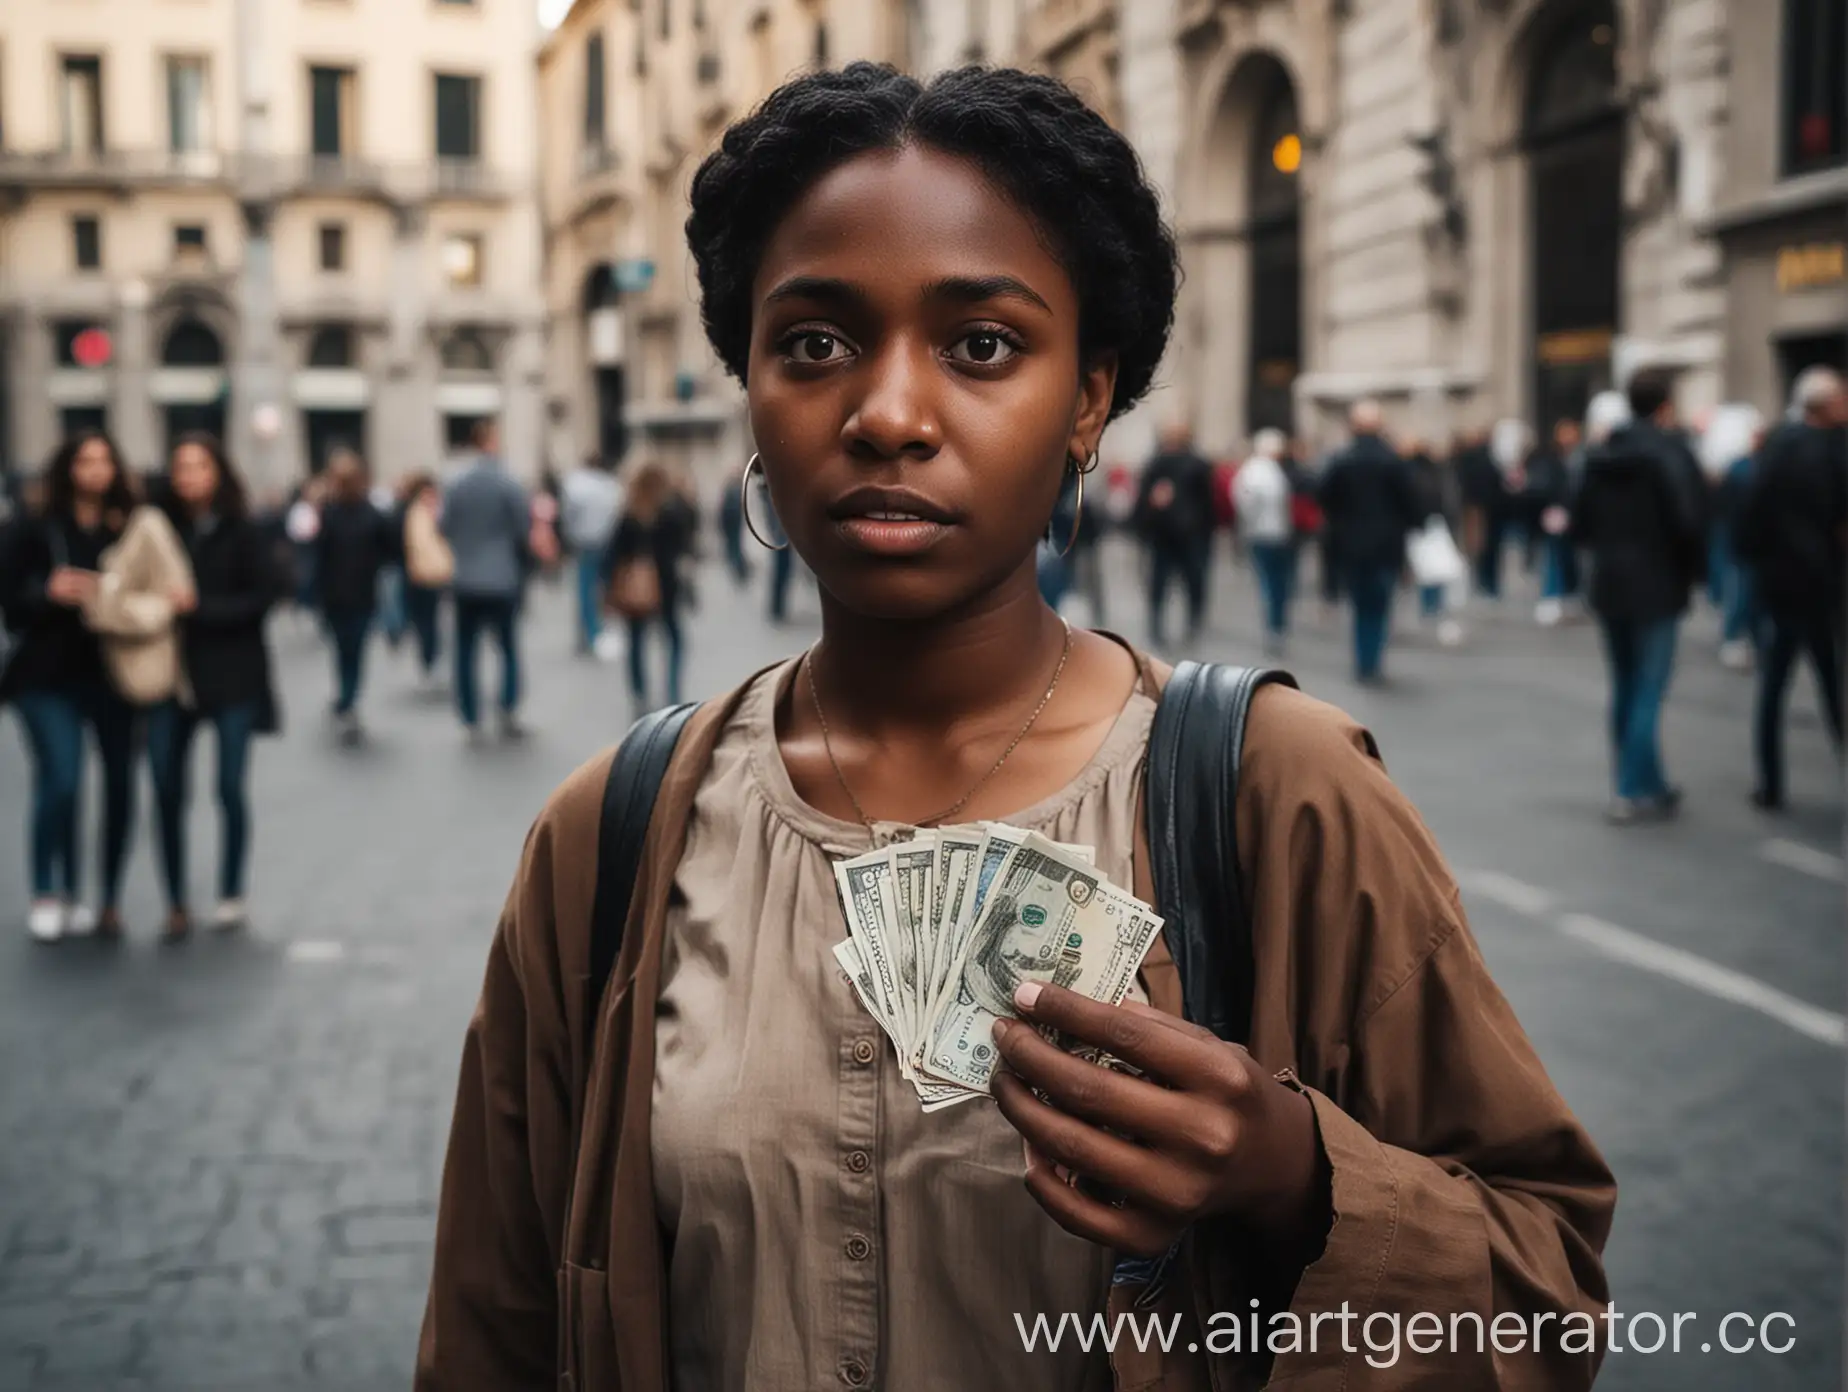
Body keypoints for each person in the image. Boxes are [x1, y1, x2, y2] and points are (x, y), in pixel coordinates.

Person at [418, 63, 1611, 1392]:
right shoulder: (609, 839)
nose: (887, 414)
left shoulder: (1282, 790)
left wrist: (1297, 1176)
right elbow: (493, 1328)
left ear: (1089, 401)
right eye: (812, 342)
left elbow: (1550, 1290)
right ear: (749, 387)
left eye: (980, 345)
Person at [0, 433, 140, 942]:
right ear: (67, 467)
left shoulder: (128, 525)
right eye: (85, 460)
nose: (96, 470)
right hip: (46, 674)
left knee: (119, 784)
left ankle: (97, 896)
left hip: (113, 669)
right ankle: (46, 889)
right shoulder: (34, 526)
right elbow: (12, 608)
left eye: (106, 459)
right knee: (61, 779)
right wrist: (48, 592)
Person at [146, 434, 282, 938]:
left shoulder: (243, 530)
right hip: (171, 675)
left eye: (200, 466)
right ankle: (176, 898)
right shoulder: (156, 528)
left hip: (233, 672)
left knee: (228, 785)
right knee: (165, 785)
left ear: (218, 472)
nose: (190, 477)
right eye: (181, 467)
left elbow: (263, 596)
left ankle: (230, 889)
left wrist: (200, 607)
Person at [1569, 373, 1703, 824]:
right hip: (1658, 582)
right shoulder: (1671, 454)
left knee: (1626, 685)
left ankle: (1646, 782)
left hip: (1611, 582)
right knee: (1649, 687)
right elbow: (1688, 520)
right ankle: (1632, 789)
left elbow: (1580, 524)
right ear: (1664, 407)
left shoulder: (1600, 455)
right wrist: (1692, 572)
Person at [1735, 366, 1847, 811]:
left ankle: (1770, 782)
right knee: (1832, 685)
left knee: (1775, 688)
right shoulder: (1834, 449)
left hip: (1781, 583)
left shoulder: (1778, 446)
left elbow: (1750, 514)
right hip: (1818, 582)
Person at [1317, 399, 1423, 684]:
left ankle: (1363, 659)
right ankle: (1372, 660)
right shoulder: (1393, 460)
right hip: (1386, 544)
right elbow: (1411, 502)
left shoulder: (1342, 459)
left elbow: (1324, 496)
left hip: (1350, 544)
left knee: (1360, 604)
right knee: (1379, 604)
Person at [441, 418, 530, 743]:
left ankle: (470, 715)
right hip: (502, 578)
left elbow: (444, 525)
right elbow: (523, 527)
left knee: (465, 650)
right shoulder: (507, 482)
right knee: (506, 647)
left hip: (465, 578)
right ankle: (507, 706)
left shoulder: (456, 482)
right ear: (491, 441)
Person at [314, 451, 397, 744]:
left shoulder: (332, 513)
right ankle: (348, 699)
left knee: (344, 651)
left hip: (340, 596)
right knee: (353, 651)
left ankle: (346, 698)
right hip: (358, 595)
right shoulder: (368, 513)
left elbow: (319, 557)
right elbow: (390, 550)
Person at [601, 460, 696, 709]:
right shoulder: (671, 511)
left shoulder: (628, 513)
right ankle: (673, 691)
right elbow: (684, 545)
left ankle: (639, 693)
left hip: (635, 588)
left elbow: (613, 553)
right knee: (675, 639)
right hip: (666, 584)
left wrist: (608, 588)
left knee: (636, 641)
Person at [1133, 422, 1216, 647]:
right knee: (1175, 582)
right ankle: (1172, 625)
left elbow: (1207, 502)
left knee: (1180, 581)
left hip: (1180, 535)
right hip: (1175, 535)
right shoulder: (1165, 464)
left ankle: (1181, 624)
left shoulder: (1185, 464)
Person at [1701, 404, 1766, 670]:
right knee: (1741, 588)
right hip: (1741, 538)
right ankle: (1737, 635)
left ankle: (1741, 635)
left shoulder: (1743, 468)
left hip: (1738, 536)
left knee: (1740, 587)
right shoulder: (1745, 469)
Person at [1231, 428, 1296, 654]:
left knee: (1278, 582)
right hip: (1263, 535)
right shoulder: (1255, 471)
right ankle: (1273, 625)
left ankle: (1276, 624)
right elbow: (1246, 502)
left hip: (1276, 534)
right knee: (1271, 582)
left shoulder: (1270, 469)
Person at [560, 455, 625, 655]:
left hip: (585, 543)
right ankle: (598, 630)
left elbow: (569, 515)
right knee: (603, 590)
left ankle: (590, 633)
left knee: (585, 591)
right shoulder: (610, 486)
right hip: (606, 542)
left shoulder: (577, 485)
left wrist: (570, 535)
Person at [1527, 418, 1582, 627]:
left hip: (1573, 516)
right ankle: (1553, 598)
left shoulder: (1579, 457)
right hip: (1555, 514)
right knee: (1554, 557)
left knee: (1568, 558)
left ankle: (1569, 596)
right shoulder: (1551, 459)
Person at [400, 473, 452, 687]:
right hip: (424, 576)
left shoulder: (434, 513)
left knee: (436, 622)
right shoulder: (416, 515)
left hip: (438, 575)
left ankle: (434, 660)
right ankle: (430, 660)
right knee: (427, 623)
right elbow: (419, 548)